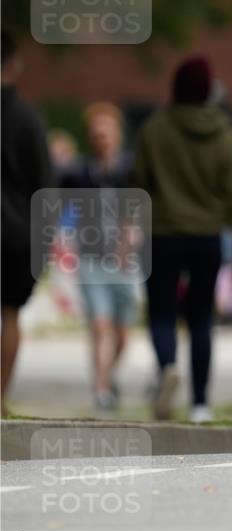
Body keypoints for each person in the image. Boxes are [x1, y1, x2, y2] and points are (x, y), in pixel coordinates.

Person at [130, 56, 232, 423]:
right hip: (207, 237)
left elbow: (138, 184)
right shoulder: (224, 135)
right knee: (201, 319)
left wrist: (127, 232)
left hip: (162, 234)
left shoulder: (154, 129)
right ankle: (200, 404)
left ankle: (167, 366)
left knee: (162, 313)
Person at [60, 103, 138, 411]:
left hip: (125, 261)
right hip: (91, 258)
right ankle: (101, 388)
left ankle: (109, 373)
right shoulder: (78, 173)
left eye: (107, 132)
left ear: (118, 135)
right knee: (99, 324)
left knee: (122, 333)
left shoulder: (131, 170)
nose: (102, 138)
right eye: (96, 134)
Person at [1, 30, 53, 415]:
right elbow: (44, 187)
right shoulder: (28, 120)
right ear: (14, 63)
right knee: (10, 315)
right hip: (16, 234)